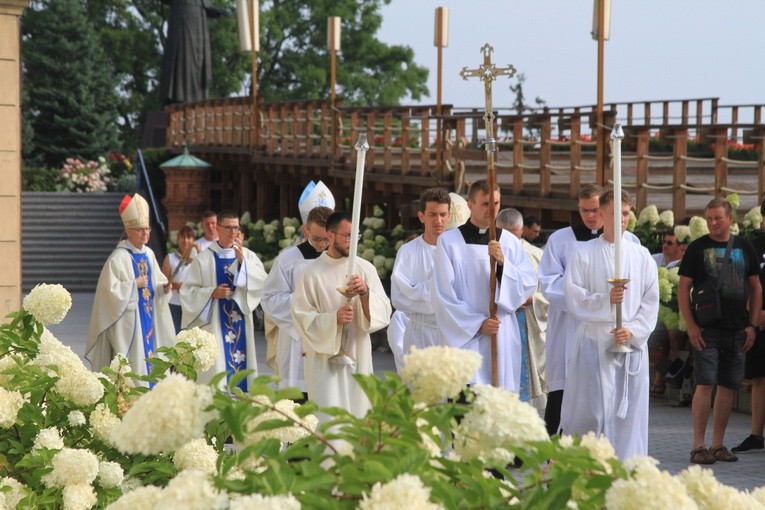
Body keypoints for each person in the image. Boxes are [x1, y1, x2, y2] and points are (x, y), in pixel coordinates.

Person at [559, 190, 659, 460]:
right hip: (595, 342)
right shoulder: (583, 253)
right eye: (616, 213)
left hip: (630, 343)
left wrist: (634, 331)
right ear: (601, 214)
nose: (622, 219)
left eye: (626, 213)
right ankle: (586, 467)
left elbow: (651, 300)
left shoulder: (642, 255)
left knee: (628, 416)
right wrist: (606, 300)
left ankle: (626, 471)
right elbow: (574, 295)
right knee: (591, 412)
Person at [539, 184, 641, 436]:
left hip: (611, 328)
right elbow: (549, 283)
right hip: (570, 324)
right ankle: (555, 447)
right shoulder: (561, 240)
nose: (590, 216)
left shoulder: (630, 242)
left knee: (608, 391)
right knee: (564, 388)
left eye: (595, 210)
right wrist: (584, 303)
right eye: (584, 211)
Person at [678, 197, 761, 464]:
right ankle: (698, 446)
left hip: (738, 329)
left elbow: (756, 287)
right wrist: (691, 326)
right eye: (709, 218)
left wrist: (753, 325)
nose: (713, 223)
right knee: (704, 384)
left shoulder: (744, 246)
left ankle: (717, 445)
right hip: (707, 329)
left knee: (727, 386)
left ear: (730, 220)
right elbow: (683, 288)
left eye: (718, 218)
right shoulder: (697, 247)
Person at [432, 180, 537, 390]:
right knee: (466, 404)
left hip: (501, 332)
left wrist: (503, 263)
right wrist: (478, 323)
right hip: (466, 337)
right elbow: (443, 295)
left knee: (499, 404)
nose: (492, 209)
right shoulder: (449, 242)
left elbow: (527, 285)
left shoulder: (509, 242)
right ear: (470, 205)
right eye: (485, 204)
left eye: (496, 203)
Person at [291, 211, 392, 419]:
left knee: (358, 420)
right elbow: (301, 317)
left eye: (356, 236)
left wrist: (365, 294)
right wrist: (332, 320)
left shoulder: (365, 269)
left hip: (359, 357)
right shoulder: (311, 273)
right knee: (330, 424)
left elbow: (384, 310)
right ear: (330, 235)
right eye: (347, 236)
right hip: (324, 364)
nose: (352, 242)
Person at [85, 194, 175, 383]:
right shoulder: (118, 258)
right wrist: (134, 285)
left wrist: (164, 288)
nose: (145, 233)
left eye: (147, 229)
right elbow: (109, 293)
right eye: (140, 229)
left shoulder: (149, 254)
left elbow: (157, 282)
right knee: (134, 364)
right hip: (130, 324)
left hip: (149, 319)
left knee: (150, 357)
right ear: (128, 230)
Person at [180, 210, 267, 392]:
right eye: (228, 227)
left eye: (236, 227)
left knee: (242, 373)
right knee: (219, 372)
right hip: (216, 327)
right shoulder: (204, 259)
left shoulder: (248, 256)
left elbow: (262, 283)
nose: (233, 232)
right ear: (218, 228)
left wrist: (243, 262)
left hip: (241, 324)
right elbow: (188, 292)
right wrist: (211, 292)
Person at [261, 206, 334, 393]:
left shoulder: (341, 259)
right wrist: (306, 299)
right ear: (306, 230)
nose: (322, 244)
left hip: (330, 335)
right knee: (297, 396)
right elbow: (270, 299)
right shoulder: (288, 259)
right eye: (317, 238)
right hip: (297, 338)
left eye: (327, 238)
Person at [497, 207, 548, 411]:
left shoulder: (536, 255)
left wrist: (531, 300)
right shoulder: (486, 252)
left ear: (520, 231)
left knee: (526, 387)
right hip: (498, 323)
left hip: (526, 322)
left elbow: (549, 294)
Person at [391, 187, 451, 357]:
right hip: (420, 334)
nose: (438, 220)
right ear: (421, 216)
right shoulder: (408, 251)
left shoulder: (458, 252)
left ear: (449, 216)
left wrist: (423, 292)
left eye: (442, 214)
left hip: (452, 334)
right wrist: (437, 292)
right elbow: (400, 296)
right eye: (432, 214)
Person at [732, 199, 765, 454]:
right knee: (758, 377)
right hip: (758, 321)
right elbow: (743, 283)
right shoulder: (754, 246)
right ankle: (756, 434)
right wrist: (752, 316)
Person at [158, 0, 231, 105]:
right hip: (181, 25)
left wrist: (221, 11)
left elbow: (207, 8)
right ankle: (179, 98)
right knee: (182, 61)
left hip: (199, 29)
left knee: (198, 65)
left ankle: (197, 99)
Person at [161, 226, 201, 333]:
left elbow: (204, 279)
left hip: (192, 304)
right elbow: (162, 283)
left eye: (189, 237)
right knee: (175, 335)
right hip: (174, 303)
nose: (186, 240)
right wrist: (176, 285)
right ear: (178, 240)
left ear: (193, 240)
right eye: (183, 237)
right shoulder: (170, 258)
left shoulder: (198, 259)